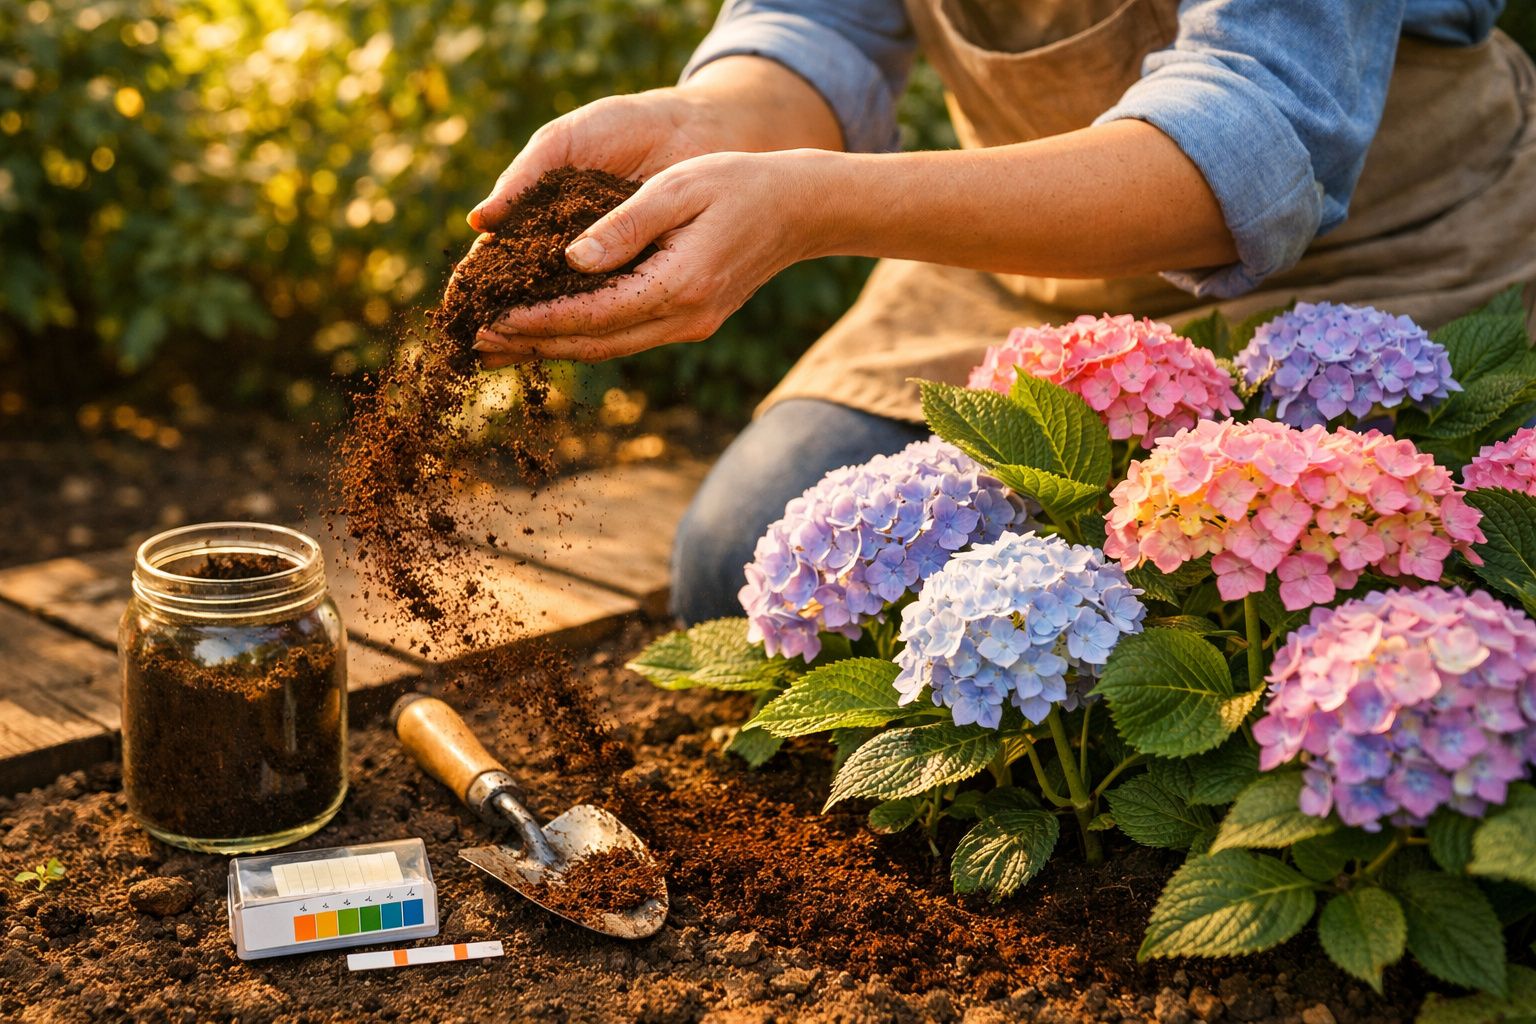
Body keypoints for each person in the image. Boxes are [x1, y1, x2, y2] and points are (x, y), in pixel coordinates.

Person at [466, 0, 1536, 624]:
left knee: (1255, 603)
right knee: (740, 567)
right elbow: (815, 27)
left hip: (1380, 257)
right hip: (1018, 259)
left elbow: (1250, 140)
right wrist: (707, 122)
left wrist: (813, 209)